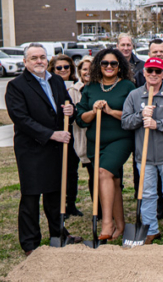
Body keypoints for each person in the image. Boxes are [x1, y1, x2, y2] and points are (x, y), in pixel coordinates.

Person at [6, 43, 83, 256]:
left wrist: (72, 109)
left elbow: (66, 108)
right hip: (32, 148)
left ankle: (59, 234)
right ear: (25, 62)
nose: (39, 61)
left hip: (56, 149)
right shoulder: (17, 85)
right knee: (31, 196)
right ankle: (30, 243)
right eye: (34, 58)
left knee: (55, 193)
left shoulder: (56, 81)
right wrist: (51, 134)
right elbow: (20, 118)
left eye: (42, 57)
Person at [122, 57, 163, 243]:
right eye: (150, 71)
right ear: (144, 73)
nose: (153, 75)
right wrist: (140, 116)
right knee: (148, 193)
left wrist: (157, 124)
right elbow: (125, 122)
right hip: (145, 156)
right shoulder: (135, 96)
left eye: (157, 71)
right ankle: (150, 229)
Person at [75, 48, 137, 240]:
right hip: (96, 141)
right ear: (98, 66)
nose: (109, 67)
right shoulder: (90, 88)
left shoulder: (128, 87)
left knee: (104, 173)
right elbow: (81, 119)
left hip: (120, 139)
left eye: (113, 63)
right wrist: (94, 112)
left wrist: (110, 111)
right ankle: (120, 226)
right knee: (113, 181)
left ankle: (107, 223)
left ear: (120, 67)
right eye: (104, 63)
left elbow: (133, 116)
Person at [47, 54, 83, 217]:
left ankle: (71, 204)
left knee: (71, 171)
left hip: (71, 132)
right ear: (53, 69)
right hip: (54, 134)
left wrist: (73, 110)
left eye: (66, 67)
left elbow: (77, 111)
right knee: (57, 170)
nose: (63, 70)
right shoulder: (48, 85)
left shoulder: (77, 85)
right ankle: (59, 205)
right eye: (58, 68)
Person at [69, 56, 97, 217]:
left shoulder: (99, 87)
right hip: (84, 138)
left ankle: (105, 207)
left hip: (100, 136)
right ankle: (97, 209)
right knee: (92, 173)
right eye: (84, 69)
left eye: (90, 68)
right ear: (79, 71)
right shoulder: (74, 91)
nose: (87, 72)